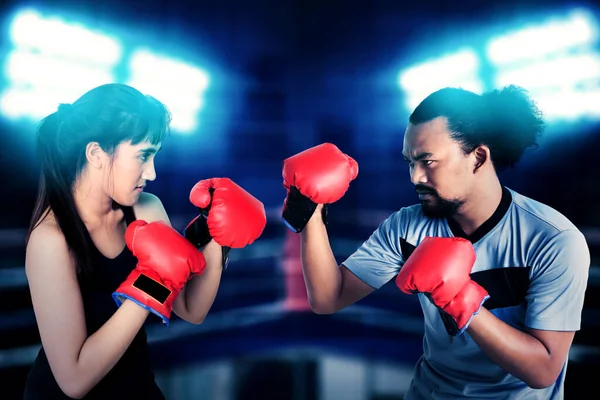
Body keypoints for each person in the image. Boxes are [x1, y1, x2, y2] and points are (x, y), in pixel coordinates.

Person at [280, 85, 590, 399]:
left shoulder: (553, 239)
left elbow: (543, 370)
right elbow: (328, 298)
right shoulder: (407, 226)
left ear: (478, 157)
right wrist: (311, 211)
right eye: (410, 163)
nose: (415, 177)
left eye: (428, 162)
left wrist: (463, 301)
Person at [23, 83, 267, 399]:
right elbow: (74, 380)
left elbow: (191, 309)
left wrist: (217, 237)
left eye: (154, 155)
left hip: (136, 388)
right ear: (96, 154)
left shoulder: (146, 208)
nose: (151, 173)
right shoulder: (50, 240)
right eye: (143, 155)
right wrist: (150, 283)